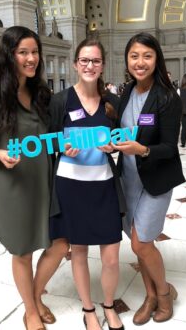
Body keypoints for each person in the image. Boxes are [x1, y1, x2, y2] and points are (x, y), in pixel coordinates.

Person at [0, 26, 68, 330]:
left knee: (60, 243)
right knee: (23, 251)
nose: (31, 58)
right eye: (23, 52)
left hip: (44, 183)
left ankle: (36, 296)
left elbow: (47, 137)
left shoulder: (41, 93)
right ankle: (30, 309)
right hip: (13, 187)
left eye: (34, 52)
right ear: (9, 56)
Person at [49, 38, 126, 330]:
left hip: (104, 186)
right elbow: (50, 141)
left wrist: (114, 148)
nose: (90, 66)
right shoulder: (61, 101)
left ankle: (108, 305)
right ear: (75, 64)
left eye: (95, 61)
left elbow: (119, 139)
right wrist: (60, 147)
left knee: (111, 256)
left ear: (102, 65)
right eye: (84, 60)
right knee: (78, 250)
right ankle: (88, 309)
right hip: (71, 186)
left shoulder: (112, 102)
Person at [112, 32, 185, 325]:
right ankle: (150, 295)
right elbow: (124, 131)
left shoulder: (167, 97)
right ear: (127, 60)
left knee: (141, 244)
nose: (140, 62)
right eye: (134, 56)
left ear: (157, 59)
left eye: (147, 56)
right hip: (129, 177)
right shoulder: (127, 93)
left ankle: (165, 294)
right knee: (135, 239)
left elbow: (169, 147)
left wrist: (141, 150)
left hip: (155, 180)